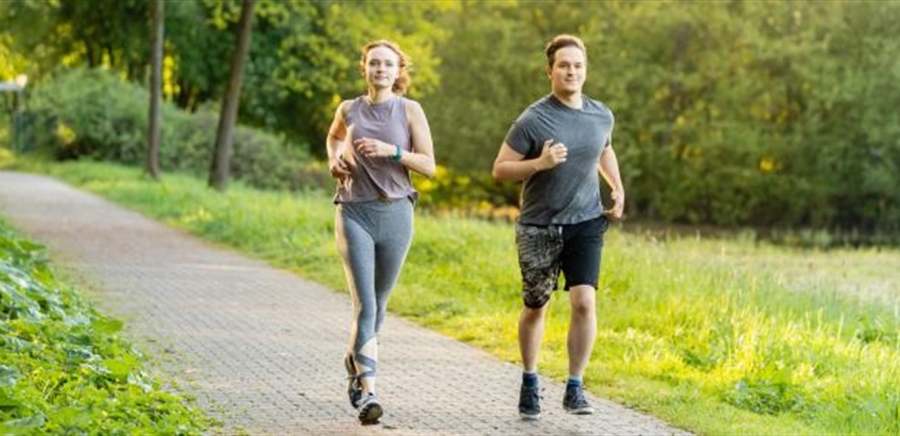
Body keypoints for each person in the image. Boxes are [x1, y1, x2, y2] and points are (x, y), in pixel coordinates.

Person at [491, 34, 625, 421]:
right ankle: (530, 380)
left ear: (586, 70)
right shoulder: (533, 119)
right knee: (537, 306)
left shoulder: (601, 114)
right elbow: (500, 169)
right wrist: (540, 163)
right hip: (539, 226)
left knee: (584, 302)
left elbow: (603, 149)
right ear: (549, 71)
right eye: (564, 65)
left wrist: (617, 188)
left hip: (586, 221)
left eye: (578, 65)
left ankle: (575, 386)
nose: (571, 71)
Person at [325, 39, 435, 424]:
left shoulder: (410, 110)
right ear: (365, 68)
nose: (381, 70)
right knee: (366, 305)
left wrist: (393, 151)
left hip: (397, 214)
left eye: (388, 64)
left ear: (398, 70)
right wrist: (334, 160)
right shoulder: (348, 108)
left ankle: (353, 361)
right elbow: (334, 137)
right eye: (374, 63)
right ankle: (369, 393)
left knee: (380, 305)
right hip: (354, 211)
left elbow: (429, 166)